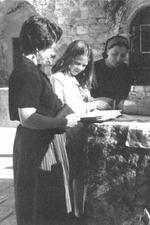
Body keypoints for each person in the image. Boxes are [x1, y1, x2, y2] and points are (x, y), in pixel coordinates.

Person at [8, 15, 79, 225]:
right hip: (36, 147)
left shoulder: (32, 70)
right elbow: (28, 118)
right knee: (39, 205)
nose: (53, 52)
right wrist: (64, 123)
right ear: (37, 46)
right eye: (50, 47)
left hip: (38, 143)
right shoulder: (27, 72)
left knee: (44, 202)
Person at [50, 40, 98, 221]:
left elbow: (82, 103)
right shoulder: (58, 78)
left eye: (84, 65)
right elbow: (61, 107)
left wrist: (91, 103)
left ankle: (79, 212)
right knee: (71, 174)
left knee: (80, 173)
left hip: (79, 132)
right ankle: (72, 214)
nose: (80, 68)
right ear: (68, 57)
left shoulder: (75, 80)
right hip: (67, 133)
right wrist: (89, 107)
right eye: (77, 63)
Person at [91, 35, 132, 109]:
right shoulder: (93, 68)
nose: (118, 59)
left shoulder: (126, 70)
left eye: (123, 55)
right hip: (96, 108)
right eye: (114, 54)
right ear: (107, 51)